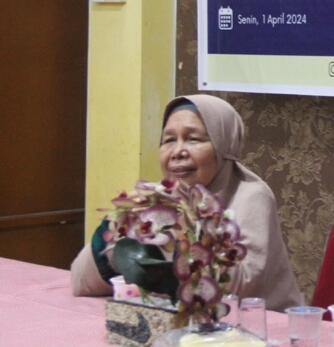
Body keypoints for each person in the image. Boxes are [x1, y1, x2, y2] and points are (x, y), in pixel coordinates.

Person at [70, 94, 303, 312]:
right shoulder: (159, 198)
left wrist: (185, 231)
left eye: (193, 139)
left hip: (256, 328)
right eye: (169, 140)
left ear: (223, 146)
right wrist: (116, 224)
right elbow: (81, 282)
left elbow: (237, 291)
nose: (177, 152)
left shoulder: (251, 196)